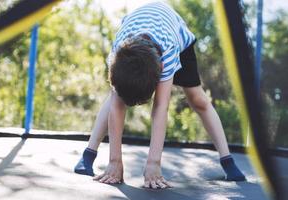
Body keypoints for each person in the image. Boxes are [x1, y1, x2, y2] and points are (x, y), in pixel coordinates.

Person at [74, 2, 246, 189]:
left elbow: (160, 107)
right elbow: (117, 106)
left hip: (177, 38)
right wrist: (114, 161)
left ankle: (228, 160)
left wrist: (153, 163)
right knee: (116, 97)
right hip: (136, 38)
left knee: (197, 99)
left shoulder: (168, 53)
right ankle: (88, 155)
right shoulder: (118, 52)